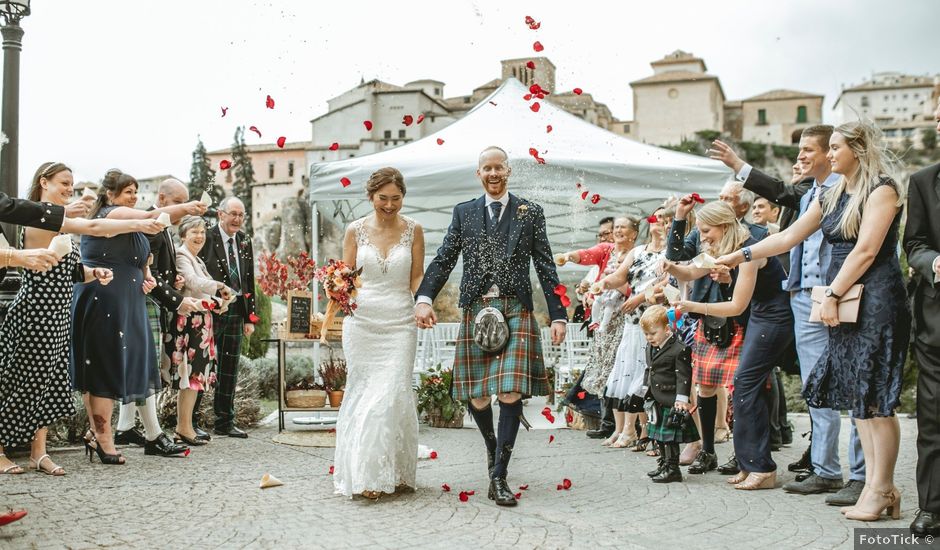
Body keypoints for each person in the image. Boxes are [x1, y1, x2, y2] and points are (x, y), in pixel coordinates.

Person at [718, 120, 909, 522]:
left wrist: (833, 294)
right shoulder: (833, 193)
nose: (830, 152)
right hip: (844, 300)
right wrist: (742, 255)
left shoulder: (882, 189)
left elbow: (867, 251)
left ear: (857, 150)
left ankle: (879, 487)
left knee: (875, 399)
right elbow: (787, 238)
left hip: (873, 299)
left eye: (836, 146)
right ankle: (879, 488)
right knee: (860, 401)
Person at [415, 146, 567, 507]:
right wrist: (424, 297)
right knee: (478, 395)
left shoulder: (530, 212)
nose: (493, 173)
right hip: (477, 309)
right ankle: (492, 447)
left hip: (515, 309)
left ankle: (498, 476)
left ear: (508, 171)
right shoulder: (464, 212)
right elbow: (445, 258)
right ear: (478, 173)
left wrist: (559, 313)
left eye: (499, 167)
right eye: (487, 168)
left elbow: (545, 265)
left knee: (510, 392)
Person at [0, 162, 147, 476]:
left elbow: (67, 270)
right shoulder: (41, 218)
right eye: (64, 183)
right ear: (44, 182)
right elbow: (85, 229)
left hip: (58, 315)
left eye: (72, 184)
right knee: (22, 384)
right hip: (35, 314)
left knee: (50, 385)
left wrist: (94, 272)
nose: (69, 189)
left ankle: (39, 452)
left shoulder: (60, 220)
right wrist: (77, 215)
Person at [72, 169, 200, 463]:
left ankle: (100, 433)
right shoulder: (110, 215)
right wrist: (188, 208)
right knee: (103, 368)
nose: (133, 196)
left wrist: (148, 277)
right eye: (128, 191)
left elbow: (144, 262)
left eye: (135, 191)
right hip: (104, 297)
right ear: (110, 195)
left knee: (125, 366)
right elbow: (153, 218)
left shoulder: (130, 222)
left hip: (129, 300)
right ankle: (104, 438)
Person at [672, 200, 793, 489]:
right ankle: (749, 462)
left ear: (725, 226)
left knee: (746, 383)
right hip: (761, 316)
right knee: (745, 386)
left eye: (705, 231)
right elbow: (690, 271)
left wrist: (692, 306)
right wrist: (670, 266)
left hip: (774, 318)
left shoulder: (749, 251)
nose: (703, 238)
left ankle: (761, 467)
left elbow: (737, 306)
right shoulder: (728, 248)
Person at [333, 168, 425, 499]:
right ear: (371, 196)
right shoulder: (354, 231)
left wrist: (423, 304)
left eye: (396, 199)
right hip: (362, 322)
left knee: (393, 393)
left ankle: (396, 472)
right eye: (382, 198)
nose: (389, 205)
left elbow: (416, 278)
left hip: (401, 322)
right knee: (365, 392)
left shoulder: (414, 230)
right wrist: (336, 290)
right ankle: (367, 476)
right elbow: (345, 279)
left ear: (403, 197)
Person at [115, 178, 207, 447]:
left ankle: (125, 427)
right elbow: (150, 274)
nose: (184, 209)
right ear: (162, 199)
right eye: (179, 203)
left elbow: (160, 271)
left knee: (142, 367)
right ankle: (150, 433)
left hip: (149, 301)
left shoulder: (163, 226)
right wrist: (177, 300)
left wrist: (174, 280)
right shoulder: (152, 227)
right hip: (144, 301)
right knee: (145, 367)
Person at [557, 216, 639, 443]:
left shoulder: (638, 254)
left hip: (626, 316)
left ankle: (626, 426)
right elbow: (586, 254)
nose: (618, 231)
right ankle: (608, 423)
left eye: (623, 227)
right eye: (616, 228)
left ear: (634, 233)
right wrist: (567, 257)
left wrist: (612, 284)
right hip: (604, 319)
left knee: (622, 368)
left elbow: (637, 286)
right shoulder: (606, 250)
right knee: (604, 367)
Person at [594, 213, 667, 451]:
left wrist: (638, 298)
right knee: (627, 374)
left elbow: (667, 283)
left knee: (646, 376)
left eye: (665, 220)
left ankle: (642, 432)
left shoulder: (672, 253)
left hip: (657, 318)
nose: (659, 224)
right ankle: (632, 431)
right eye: (655, 219)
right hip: (633, 322)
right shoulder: (638, 253)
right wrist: (603, 283)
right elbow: (620, 276)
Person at [901, 98, 940, 537]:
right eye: (936, 118)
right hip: (936, 325)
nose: (938, 124)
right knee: (932, 419)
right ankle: (932, 507)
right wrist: (933, 262)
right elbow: (915, 243)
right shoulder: (923, 182)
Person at [169, 216, 233, 446]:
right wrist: (221, 287)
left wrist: (219, 301)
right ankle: (183, 427)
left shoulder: (196, 259)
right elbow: (193, 282)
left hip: (200, 321)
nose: (199, 236)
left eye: (202, 232)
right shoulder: (182, 255)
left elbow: (201, 289)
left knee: (196, 376)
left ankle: (184, 426)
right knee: (190, 375)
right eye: (194, 232)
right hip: (190, 322)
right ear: (183, 235)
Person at [198, 197, 258, 438]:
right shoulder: (206, 237)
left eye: (241, 215)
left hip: (236, 310)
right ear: (220, 214)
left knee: (229, 368)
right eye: (232, 214)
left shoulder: (245, 241)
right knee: (201, 366)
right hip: (210, 308)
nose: (237, 219)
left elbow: (248, 278)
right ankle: (191, 422)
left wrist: (249, 317)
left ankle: (225, 421)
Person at [640, 305, 698, 483]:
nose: (649, 338)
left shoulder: (679, 349)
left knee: (669, 437)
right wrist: (644, 389)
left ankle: (673, 469)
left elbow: (684, 376)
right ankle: (664, 463)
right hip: (655, 397)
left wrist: (682, 399)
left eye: (653, 333)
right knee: (658, 436)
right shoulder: (651, 347)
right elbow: (649, 370)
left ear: (666, 329)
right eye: (646, 334)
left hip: (672, 400)